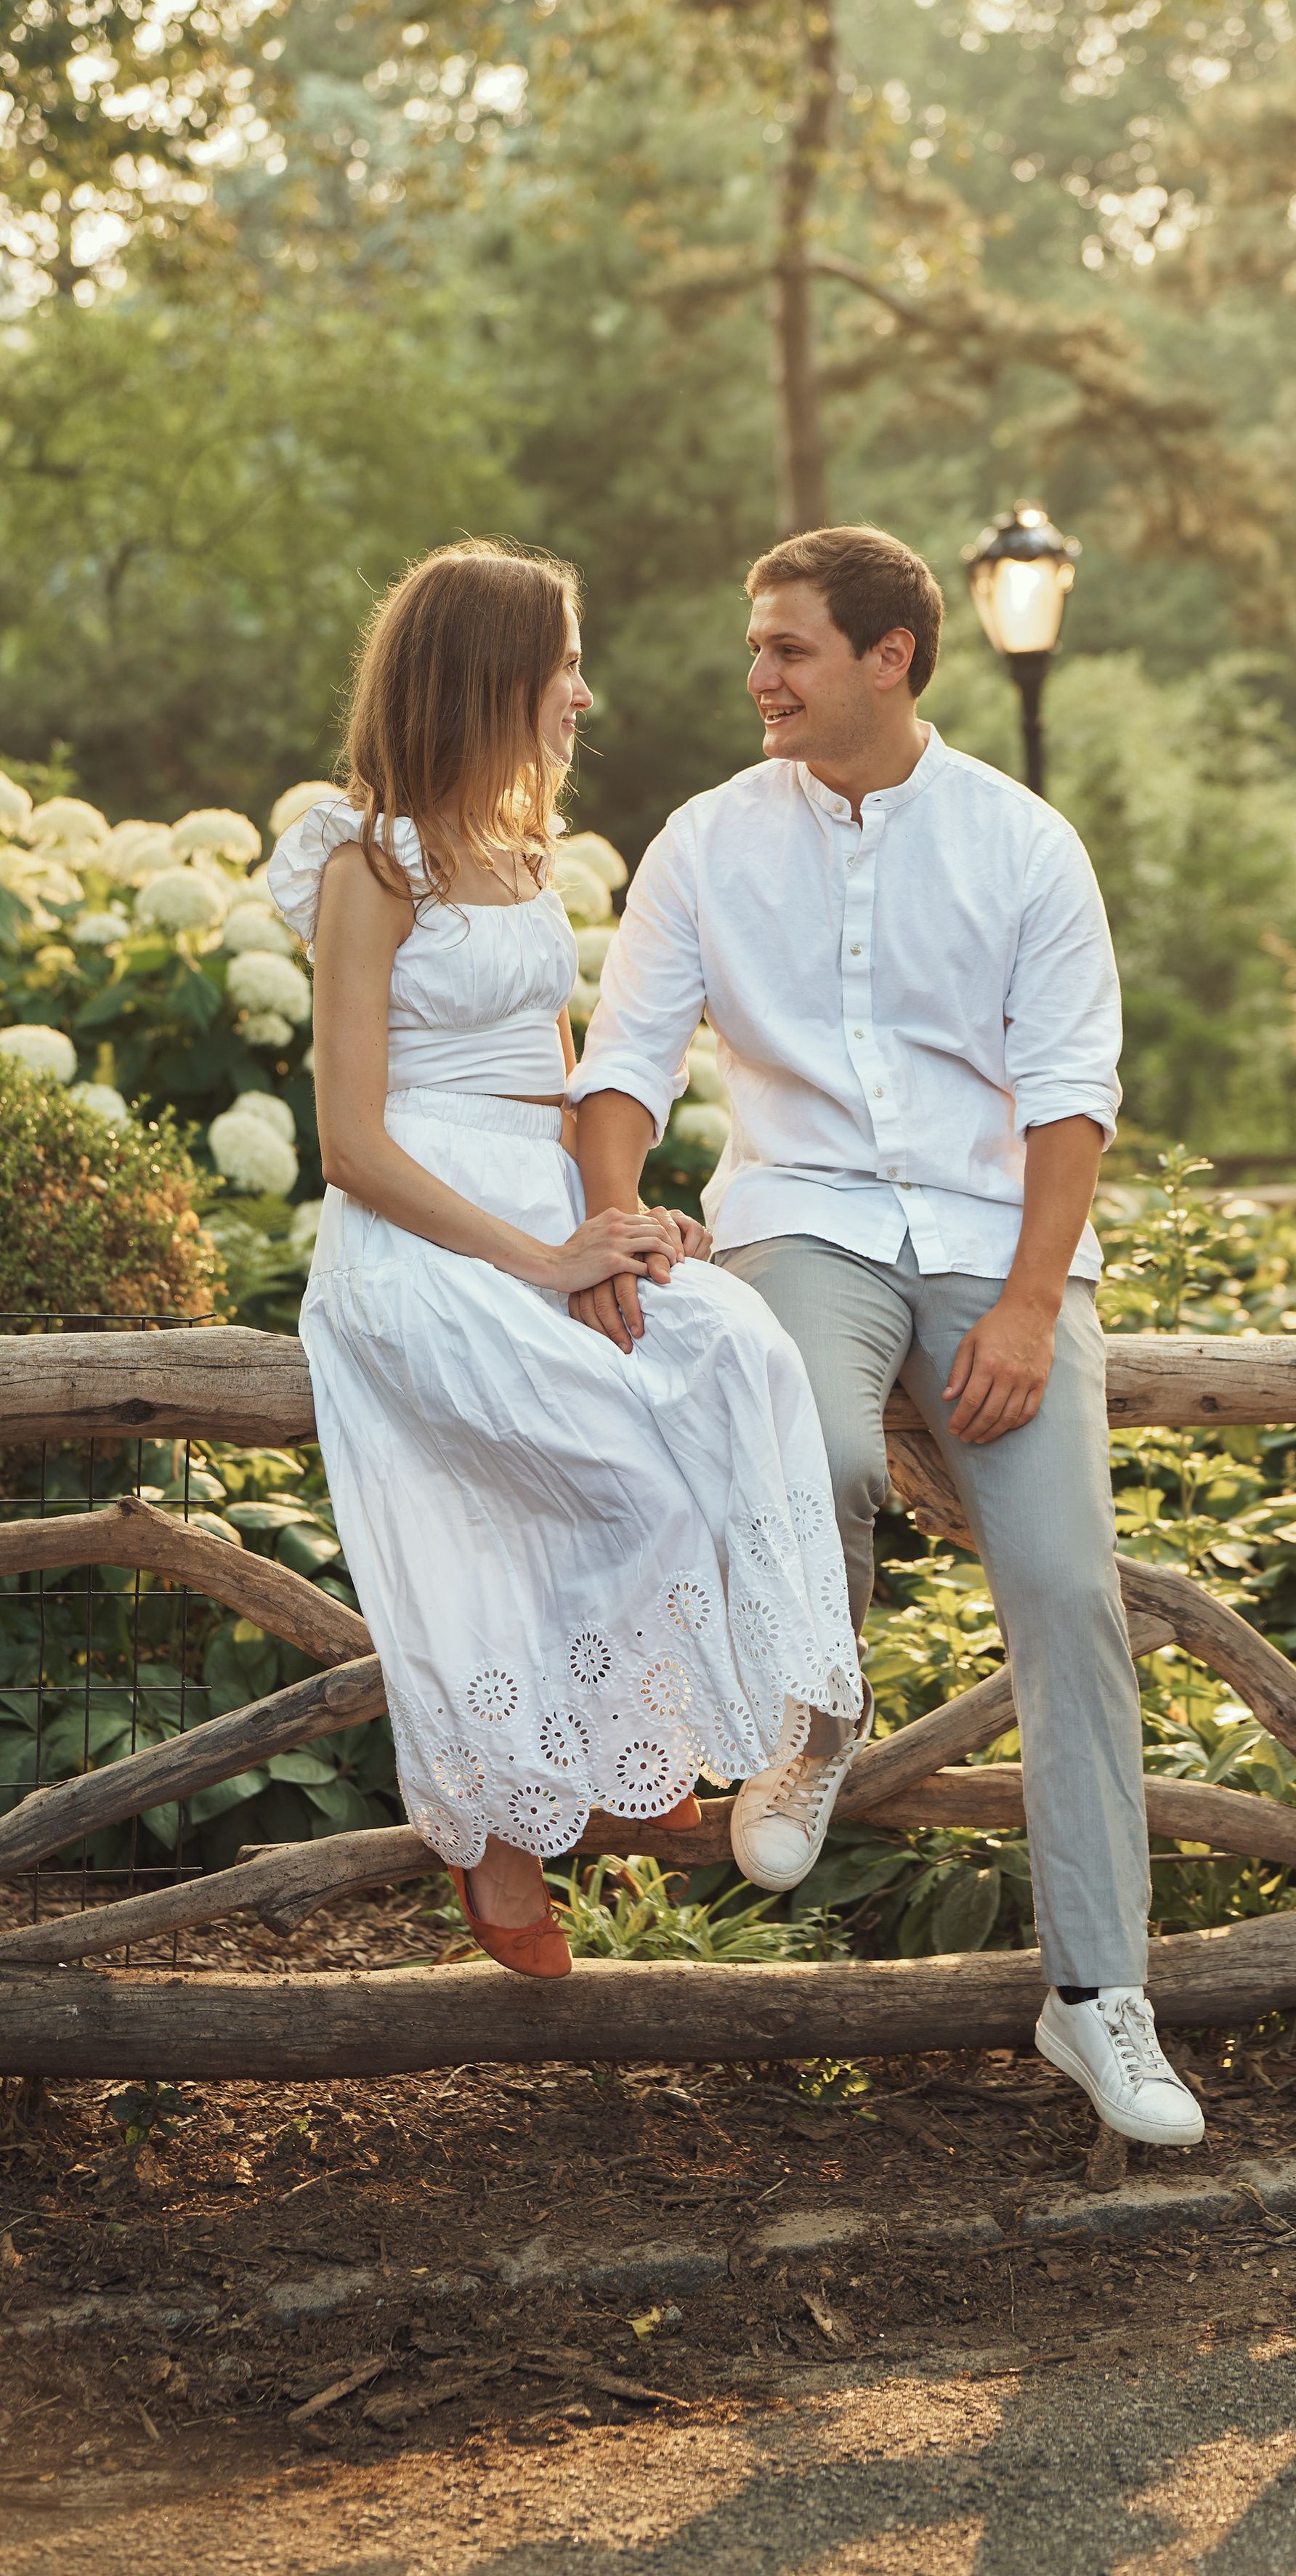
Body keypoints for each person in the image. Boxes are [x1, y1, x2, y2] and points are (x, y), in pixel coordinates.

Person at [568, 525, 1203, 2147]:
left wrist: (1029, 1304)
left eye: (786, 647)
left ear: (889, 657)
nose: (757, 674)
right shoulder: (706, 841)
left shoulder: (1021, 843)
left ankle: (1096, 1999)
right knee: (829, 1449)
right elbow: (625, 1056)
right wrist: (615, 1212)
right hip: (804, 1221)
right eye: (756, 645)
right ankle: (815, 1717)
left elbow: (1070, 1096)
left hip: (999, 1244)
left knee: (1067, 1590)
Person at [269, 539, 862, 1979]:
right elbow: (350, 1141)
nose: (583, 697)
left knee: (734, 1351)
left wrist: (623, 1224)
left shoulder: (523, 856)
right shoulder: (372, 864)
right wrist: (540, 1260)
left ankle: (786, 1726)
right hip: (420, 1228)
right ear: (491, 677)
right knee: (601, 1452)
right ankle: (503, 1820)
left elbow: (549, 1085)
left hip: (538, 1202)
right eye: (563, 667)